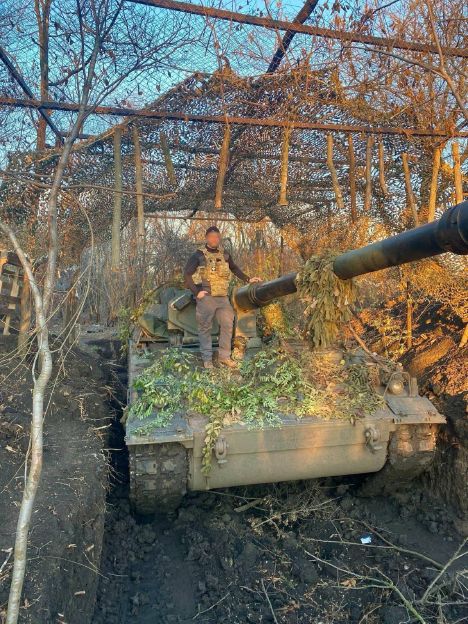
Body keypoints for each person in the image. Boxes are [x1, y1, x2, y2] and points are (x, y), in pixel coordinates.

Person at [184, 226, 261, 369]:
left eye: (217, 237)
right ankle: (207, 359)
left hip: (222, 297)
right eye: (212, 237)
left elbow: (234, 268)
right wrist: (197, 292)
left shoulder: (224, 254)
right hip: (206, 297)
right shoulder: (198, 255)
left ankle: (224, 357)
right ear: (207, 238)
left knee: (227, 325)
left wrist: (248, 279)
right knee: (204, 328)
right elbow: (187, 274)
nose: (215, 239)